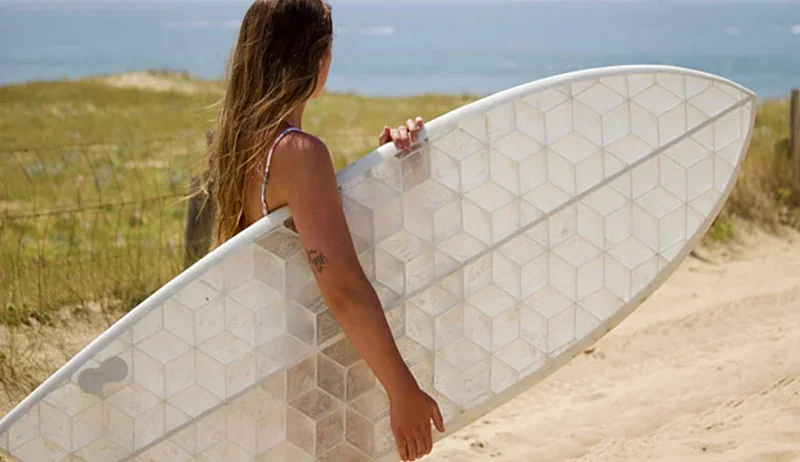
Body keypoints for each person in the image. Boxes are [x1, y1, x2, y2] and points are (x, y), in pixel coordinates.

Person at [202, 0, 445, 460]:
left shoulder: (240, 148)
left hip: (275, 359)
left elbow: (302, 250)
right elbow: (342, 288)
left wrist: (394, 172)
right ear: (319, 61)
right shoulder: (299, 153)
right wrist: (402, 388)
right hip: (319, 367)